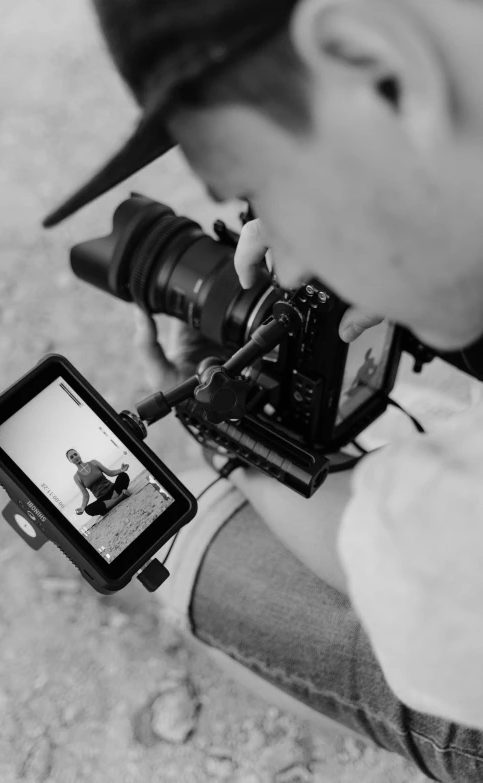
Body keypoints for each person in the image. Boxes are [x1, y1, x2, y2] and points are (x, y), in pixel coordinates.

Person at [43, 1, 483, 779]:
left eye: (259, 191)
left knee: (186, 549)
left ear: (374, 60)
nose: (285, 260)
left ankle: (183, 552)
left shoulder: (437, 536)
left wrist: (227, 442)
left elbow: (390, 561)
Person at [66, 448, 130, 517]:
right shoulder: (76, 477)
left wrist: (121, 470)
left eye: (75, 454)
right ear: (70, 461)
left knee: (123, 475)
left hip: (113, 489)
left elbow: (110, 473)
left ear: (78, 454)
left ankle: (111, 502)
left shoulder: (93, 462)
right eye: (71, 457)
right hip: (102, 498)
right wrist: (82, 508)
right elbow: (85, 495)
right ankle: (120, 497)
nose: (75, 457)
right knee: (88, 510)